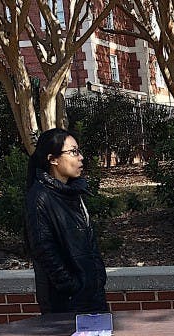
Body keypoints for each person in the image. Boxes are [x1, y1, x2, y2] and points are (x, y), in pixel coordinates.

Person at [24, 128, 109, 314]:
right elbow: (44, 250)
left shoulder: (73, 193)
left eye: (78, 151)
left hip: (92, 294)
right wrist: (72, 285)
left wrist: (98, 277)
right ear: (53, 159)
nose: (81, 157)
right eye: (73, 152)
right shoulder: (40, 197)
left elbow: (89, 242)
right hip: (65, 302)